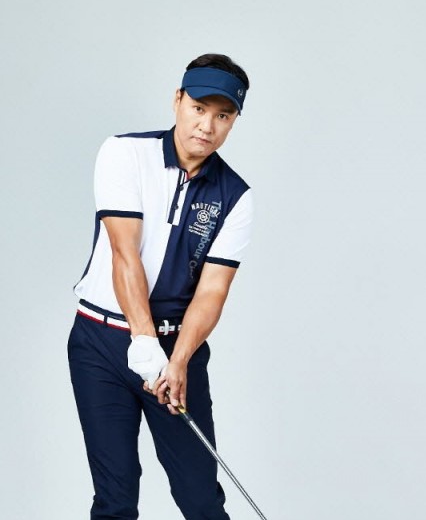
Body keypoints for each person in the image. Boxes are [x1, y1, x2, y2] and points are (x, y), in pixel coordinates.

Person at [68, 53, 253, 520]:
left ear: (233, 121)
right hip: (100, 343)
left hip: (177, 347)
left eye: (222, 115)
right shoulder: (124, 153)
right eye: (198, 108)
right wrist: (144, 341)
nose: (206, 126)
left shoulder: (235, 196)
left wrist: (178, 360)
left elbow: (212, 291)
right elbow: (124, 252)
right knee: (115, 498)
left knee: (199, 497)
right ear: (178, 100)